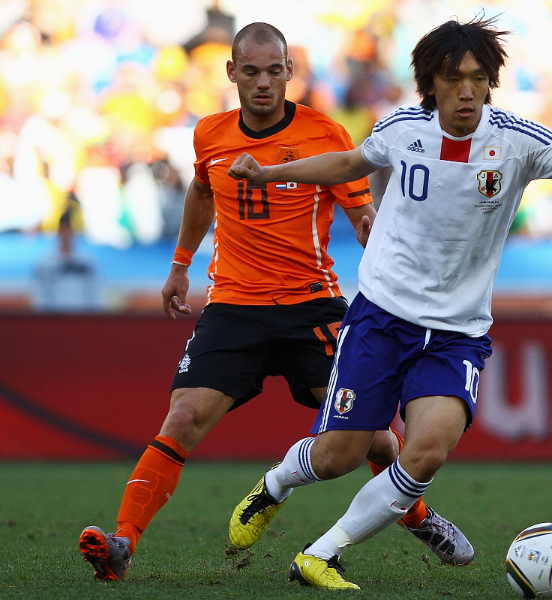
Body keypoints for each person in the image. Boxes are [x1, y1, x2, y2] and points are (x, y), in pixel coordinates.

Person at [227, 16, 552, 591]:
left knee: (426, 452)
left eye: (478, 78)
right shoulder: (403, 129)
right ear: (432, 82)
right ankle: (276, 486)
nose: (467, 91)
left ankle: (322, 553)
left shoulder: (516, 141)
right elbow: (350, 164)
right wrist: (269, 173)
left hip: (456, 333)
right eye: (454, 78)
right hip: (382, 317)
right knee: (336, 456)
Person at [77, 22, 472, 582]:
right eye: (252, 71)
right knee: (182, 417)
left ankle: (419, 517)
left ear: (289, 72)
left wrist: (372, 230)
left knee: (376, 439)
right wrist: (180, 265)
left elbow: (360, 208)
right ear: (232, 73)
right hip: (233, 308)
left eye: (274, 71)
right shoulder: (210, 134)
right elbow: (201, 191)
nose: (263, 83)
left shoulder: (325, 134)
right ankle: (122, 542)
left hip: (311, 305)